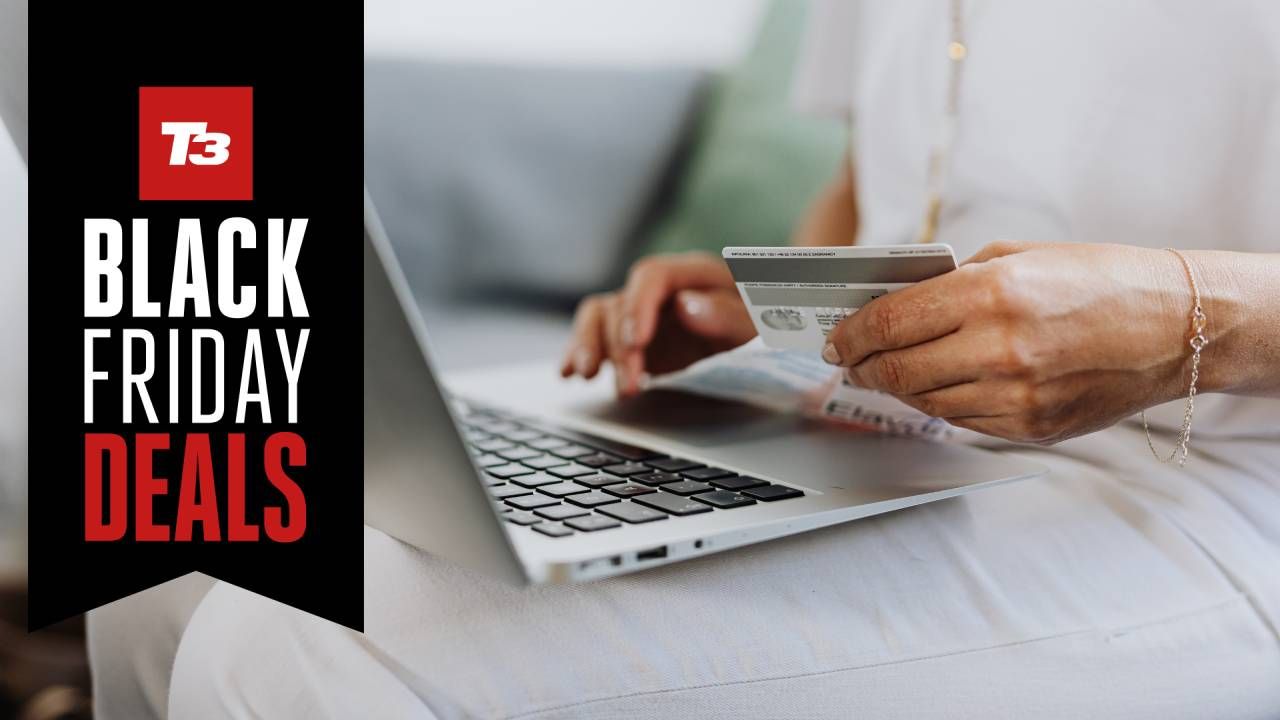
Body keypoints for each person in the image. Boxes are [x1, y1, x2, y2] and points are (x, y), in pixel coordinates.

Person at [91, 2, 1280, 718]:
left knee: (300, 650)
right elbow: (871, 187)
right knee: (184, 555)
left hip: (1210, 491)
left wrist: (1188, 313)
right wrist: (784, 316)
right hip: (910, 438)